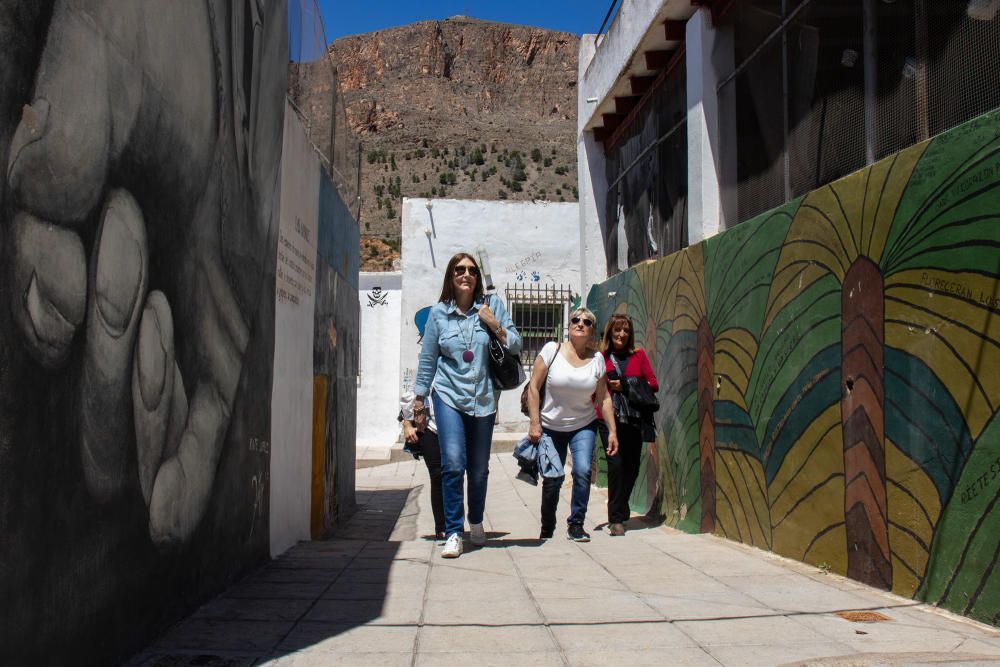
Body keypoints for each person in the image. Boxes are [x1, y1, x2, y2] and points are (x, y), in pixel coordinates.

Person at [413, 252, 521, 558]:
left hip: (483, 398)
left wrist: (495, 324)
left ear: (477, 277)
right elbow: (428, 360)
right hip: (447, 395)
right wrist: (419, 401)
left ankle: (476, 520)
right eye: (459, 269)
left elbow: (516, 343)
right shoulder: (438, 314)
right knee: (452, 464)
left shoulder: (492, 306)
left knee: (478, 470)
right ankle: (453, 531)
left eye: (472, 270)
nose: (466, 274)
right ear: (451, 276)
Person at [525, 307, 617, 542]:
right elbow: (534, 386)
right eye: (575, 319)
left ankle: (576, 524)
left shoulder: (597, 360)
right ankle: (547, 525)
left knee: (583, 470)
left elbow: (604, 397)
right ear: (569, 325)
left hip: (583, 425)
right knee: (553, 479)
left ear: (592, 331)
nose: (580, 324)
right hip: (550, 426)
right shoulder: (551, 350)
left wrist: (612, 432)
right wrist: (535, 423)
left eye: (586, 322)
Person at [596, 314, 659, 536]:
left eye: (626, 331)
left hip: (633, 418)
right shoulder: (601, 357)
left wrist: (625, 384)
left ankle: (621, 507)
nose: (621, 334)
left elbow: (653, 383)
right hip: (608, 419)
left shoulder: (638, 355)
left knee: (632, 467)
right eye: (617, 330)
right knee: (615, 466)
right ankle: (615, 519)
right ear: (610, 332)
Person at [398, 389, 445, 541]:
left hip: (456, 426)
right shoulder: (429, 369)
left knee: (454, 475)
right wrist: (407, 424)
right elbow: (414, 390)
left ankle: (456, 524)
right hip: (429, 427)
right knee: (437, 476)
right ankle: (442, 527)